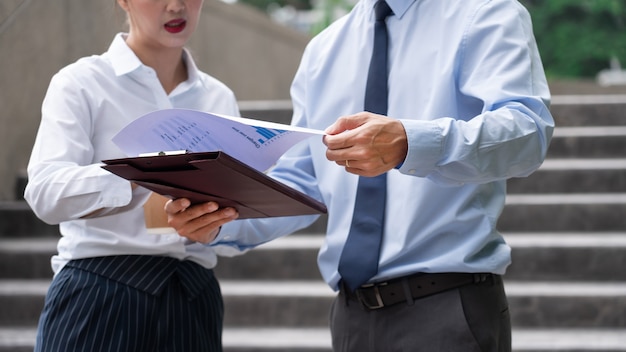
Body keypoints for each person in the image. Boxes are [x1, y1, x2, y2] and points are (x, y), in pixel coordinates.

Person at [165, 0, 554, 351]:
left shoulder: (484, 13)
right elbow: (305, 180)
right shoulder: (324, 49)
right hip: (351, 318)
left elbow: (527, 133)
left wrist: (410, 142)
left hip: (448, 310)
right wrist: (220, 217)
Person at [23, 0, 239, 351]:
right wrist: (144, 171)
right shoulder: (81, 82)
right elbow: (45, 193)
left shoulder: (219, 98)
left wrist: (215, 221)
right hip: (99, 292)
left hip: (194, 297)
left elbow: (229, 212)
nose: (176, 6)